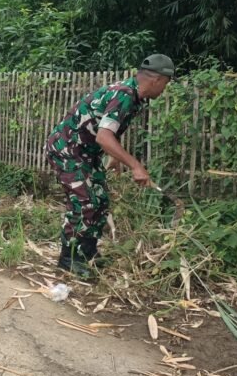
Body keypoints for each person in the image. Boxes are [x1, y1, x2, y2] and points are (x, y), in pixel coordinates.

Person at [46, 54, 175, 277]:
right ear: (157, 80)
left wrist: (114, 156)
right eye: (166, 83)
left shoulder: (134, 95)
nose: (165, 89)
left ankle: (88, 253)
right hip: (68, 150)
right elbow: (104, 137)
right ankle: (69, 259)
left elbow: (108, 128)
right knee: (85, 202)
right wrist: (136, 166)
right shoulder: (124, 94)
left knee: (101, 200)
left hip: (86, 152)